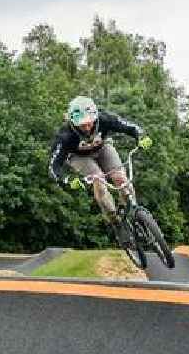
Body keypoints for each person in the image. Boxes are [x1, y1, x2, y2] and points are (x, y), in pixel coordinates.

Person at [49, 96, 152, 244]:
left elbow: (129, 127)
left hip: (103, 148)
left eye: (89, 123)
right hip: (80, 157)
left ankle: (135, 212)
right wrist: (67, 179)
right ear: (72, 122)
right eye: (81, 125)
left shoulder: (104, 119)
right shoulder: (65, 136)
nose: (86, 127)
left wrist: (141, 136)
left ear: (95, 116)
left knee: (120, 177)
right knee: (98, 179)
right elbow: (54, 167)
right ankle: (115, 222)